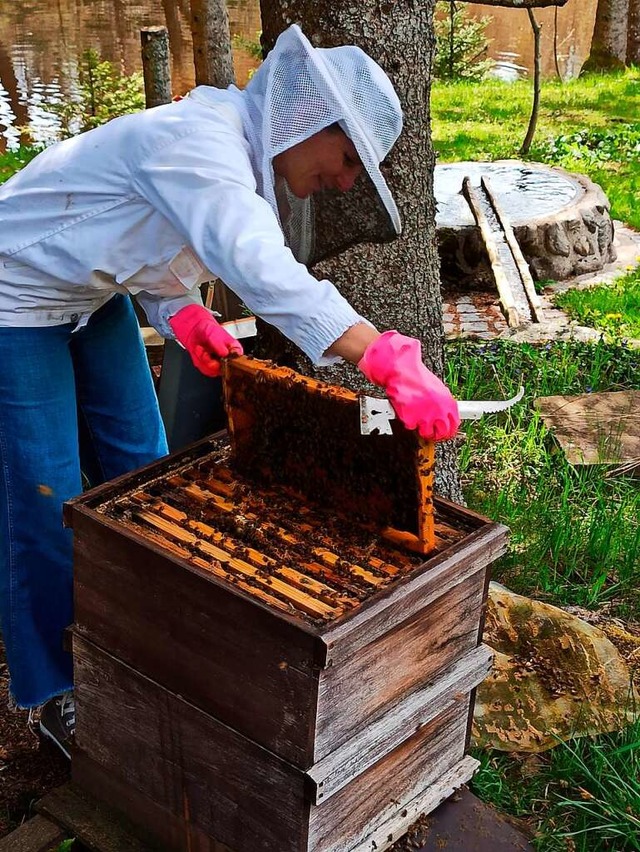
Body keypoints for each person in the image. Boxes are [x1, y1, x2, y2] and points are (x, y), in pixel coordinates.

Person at [0, 24, 460, 758]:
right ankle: (58, 691)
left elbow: (144, 239)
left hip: (92, 294)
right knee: (42, 494)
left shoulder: (233, 160)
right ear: (309, 121)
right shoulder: (199, 142)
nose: (346, 182)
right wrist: (386, 358)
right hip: (13, 297)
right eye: (346, 160)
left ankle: (131, 636)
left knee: (141, 465)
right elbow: (257, 264)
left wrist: (178, 310)